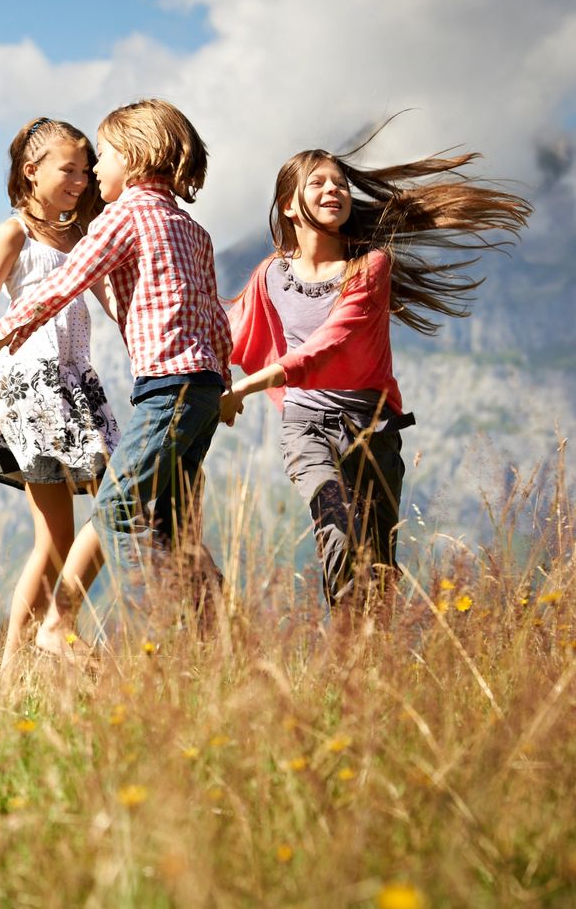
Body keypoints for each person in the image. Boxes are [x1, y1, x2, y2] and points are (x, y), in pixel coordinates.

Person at [0, 98, 231, 655]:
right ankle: (197, 617)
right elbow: (209, 310)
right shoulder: (188, 229)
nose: (94, 171)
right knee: (142, 514)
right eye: (76, 165)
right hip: (145, 388)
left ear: (136, 158)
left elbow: (77, 292)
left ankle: (153, 631)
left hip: (134, 386)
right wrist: (225, 377)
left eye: (103, 157)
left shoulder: (120, 219)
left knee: (120, 504)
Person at [222, 139, 530, 618]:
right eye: (318, 183)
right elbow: (231, 329)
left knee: (379, 562)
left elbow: (333, 341)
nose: (334, 190)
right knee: (336, 524)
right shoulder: (271, 275)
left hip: (373, 427)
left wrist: (246, 386)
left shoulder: (370, 267)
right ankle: (347, 643)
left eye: (340, 183)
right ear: (288, 205)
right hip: (306, 424)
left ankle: (370, 658)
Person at [0, 118, 120, 669]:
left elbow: (115, 308)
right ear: (32, 171)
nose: (81, 179)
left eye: (85, 170)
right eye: (68, 170)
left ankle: (24, 656)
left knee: (99, 511)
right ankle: (11, 666)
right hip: (32, 384)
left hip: (75, 378)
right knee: (57, 535)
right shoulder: (14, 234)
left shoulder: (82, 236)